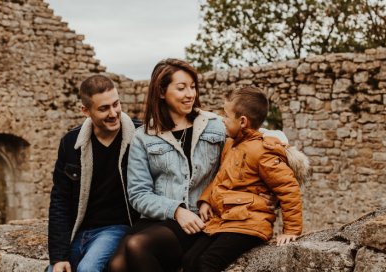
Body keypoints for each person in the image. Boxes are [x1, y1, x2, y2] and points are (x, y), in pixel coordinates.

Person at [108, 58, 227, 272]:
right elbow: (138, 193)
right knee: (116, 266)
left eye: (192, 87)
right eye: (181, 88)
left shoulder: (215, 125)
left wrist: (279, 140)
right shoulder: (143, 136)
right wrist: (176, 211)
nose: (190, 94)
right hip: (161, 217)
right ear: (162, 92)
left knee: (137, 246)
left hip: (201, 219)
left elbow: (253, 139)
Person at [182, 86, 308, 272]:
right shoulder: (231, 145)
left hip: (248, 223)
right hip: (224, 220)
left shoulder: (262, 151)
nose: (223, 121)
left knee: (207, 263)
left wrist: (291, 230)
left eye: (226, 116)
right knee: (188, 260)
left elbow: (288, 188)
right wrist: (206, 200)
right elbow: (220, 179)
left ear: (242, 121)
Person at [48, 75, 138, 272]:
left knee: (87, 269)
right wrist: (58, 257)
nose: (114, 113)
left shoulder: (139, 136)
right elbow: (60, 200)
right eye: (104, 108)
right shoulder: (71, 143)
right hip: (79, 231)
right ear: (85, 111)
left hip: (116, 229)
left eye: (116, 104)